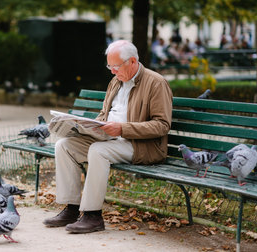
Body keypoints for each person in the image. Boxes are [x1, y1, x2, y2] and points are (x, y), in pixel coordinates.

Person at [43, 40, 173, 233]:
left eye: (115, 66)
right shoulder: (116, 81)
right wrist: (87, 127)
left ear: (132, 61)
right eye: (109, 66)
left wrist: (122, 129)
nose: (112, 71)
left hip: (141, 146)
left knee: (98, 151)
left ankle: (92, 216)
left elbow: (162, 126)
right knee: (64, 145)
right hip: (110, 139)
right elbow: (105, 115)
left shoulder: (156, 83)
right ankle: (71, 209)